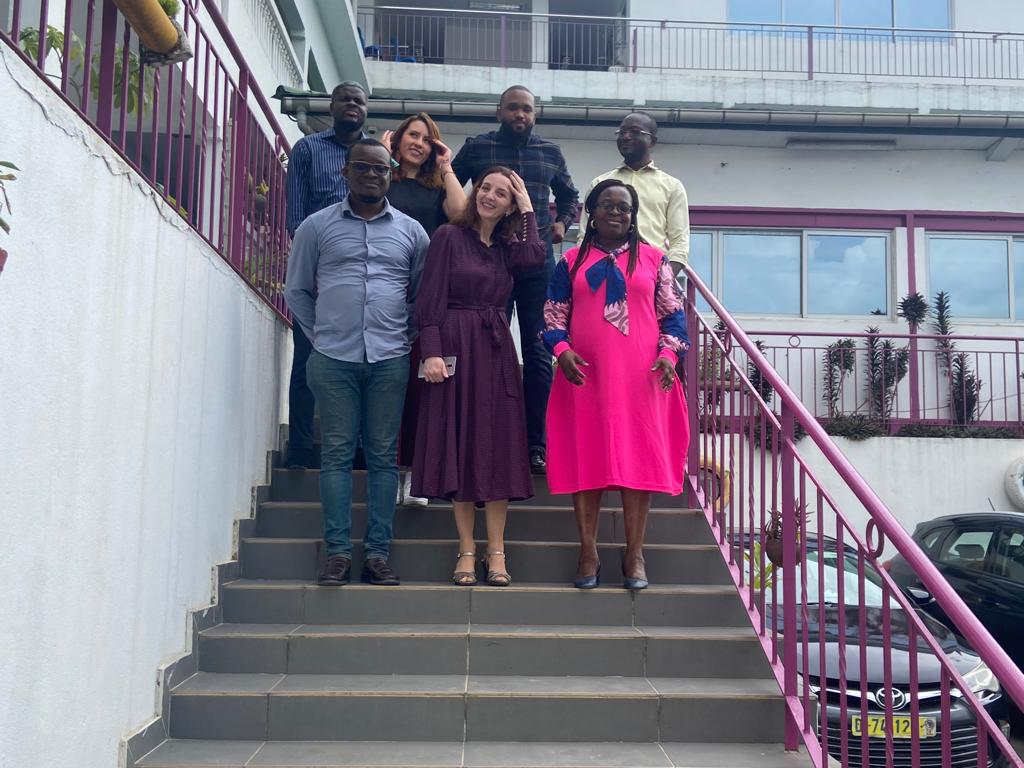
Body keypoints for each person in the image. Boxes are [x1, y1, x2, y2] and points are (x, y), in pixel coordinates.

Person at [284, 139, 429, 587]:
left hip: (390, 359)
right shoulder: (315, 226)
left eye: (380, 170)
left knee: (383, 458)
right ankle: (338, 553)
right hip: (333, 360)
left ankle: (378, 554)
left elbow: (423, 296)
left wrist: (407, 337)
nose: (371, 175)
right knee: (337, 457)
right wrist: (321, 336)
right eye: (362, 168)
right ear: (345, 173)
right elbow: (297, 291)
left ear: (391, 175)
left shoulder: (412, 231)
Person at [542, 179, 690, 591]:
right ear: (591, 211)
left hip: (640, 377)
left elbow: (673, 317)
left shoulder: (654, 260)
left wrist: (669, 356)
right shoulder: (571, 260)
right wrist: (562, 351)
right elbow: (553, 315)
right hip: (584, 375)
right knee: (585, 460)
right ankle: (587, 551)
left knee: (636, 461)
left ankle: (634, 552)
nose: (615, 213)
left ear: (633, 216)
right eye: (607, 205)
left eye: (624, 208)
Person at [411, 167, 545, 587]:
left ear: (509, 204)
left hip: (495, 350)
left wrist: (528, 210)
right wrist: (431, 351)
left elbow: (534, 259)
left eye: (501, 193)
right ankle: (467, 550)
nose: (489, 196)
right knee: (463, 448)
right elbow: (427, 298)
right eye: (485, 187)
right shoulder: (448, 236)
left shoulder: (508, 247)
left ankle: (497, 550)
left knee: (499, 449)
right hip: (453, 345)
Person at [452, 85, 579, 475]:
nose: (519, 115)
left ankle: (534, 445)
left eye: (526, 109)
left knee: (539, 352)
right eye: (512, 108)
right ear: (498, 112)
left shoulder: (551, 153)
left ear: (535, 115)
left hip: (537, 264)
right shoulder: (477, 148)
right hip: (489, 259)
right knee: (487, 348)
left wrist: (561, 222)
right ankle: (485, 438)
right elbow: (451, 190)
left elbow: (570, 196)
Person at [381, 112, 468, 506]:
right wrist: (382, 160)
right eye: (411, 136)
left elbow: (461, 214)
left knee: (420, 389)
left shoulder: (437, 189)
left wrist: (447, 167)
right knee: (388, 386)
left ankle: (416, 476)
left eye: (426, 139)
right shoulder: (384, 180)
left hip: (428, 294)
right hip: (385, 291)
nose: (418, 143)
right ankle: (389, 472)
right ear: (397, 141)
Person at [283, 80, 369, 469]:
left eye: (359, 101)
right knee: (307, 361)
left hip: (366, 278)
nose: (352, 105)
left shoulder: (376, 155)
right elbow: (296, 218)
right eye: (345, 99)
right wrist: (314, 267)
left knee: (364, 367)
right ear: (331, 106)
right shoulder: (307, 149)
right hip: (320, 272)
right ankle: (301, 449)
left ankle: (358, 451)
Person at [579, 112, 690, 277]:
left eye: (635, 132)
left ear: (652, 141)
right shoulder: (600, 183)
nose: (626, 137)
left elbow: (680, 243)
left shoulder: (672, 186)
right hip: (602, 270)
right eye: (621, 132)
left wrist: (663, 279)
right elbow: (584, 236)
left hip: (650, 272)